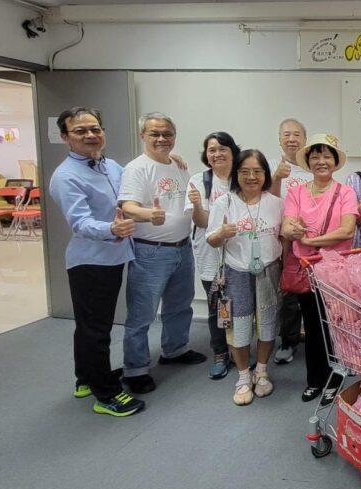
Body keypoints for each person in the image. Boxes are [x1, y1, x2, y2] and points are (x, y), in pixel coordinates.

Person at [49, 107, 144, 417]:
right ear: (65, 137)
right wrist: (112, 229)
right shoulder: (66, 176)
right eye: (80, 131)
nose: (90, 135)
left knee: (89, 325)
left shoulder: (110, 165)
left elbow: (133, 184)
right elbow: (80, 222)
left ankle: (85, 379)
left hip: (113, 257)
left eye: (95, 129)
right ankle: (106, 395)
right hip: (91, 262)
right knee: (96, 330)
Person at [119, 112, 206, 394]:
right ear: (142, 135)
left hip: (182, 248)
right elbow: (127, 206)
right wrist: (148, 215)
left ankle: (175, 349)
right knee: (142, 314)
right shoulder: (137, 168)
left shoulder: (177, 165)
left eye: (167, 134)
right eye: (154, 134)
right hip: (151, 252)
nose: (161, 139)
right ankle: (135, 369)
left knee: (180, 305)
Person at [282, 133, 358, 403]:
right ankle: (314, 379)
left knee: (335, 326)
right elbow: (287, 226)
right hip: (307, 271)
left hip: (335, 272)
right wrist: (293, 230)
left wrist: (310, 240)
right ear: (308, 162)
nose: (321, 161)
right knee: (313, 326)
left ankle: (334, 380)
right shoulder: (296, 192)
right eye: (315, 156)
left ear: (335, 162)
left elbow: (347, 230)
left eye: (327, 156)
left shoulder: (346, 192)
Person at [207, 150, 284, 406]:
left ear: (265, 174)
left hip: (269, 271)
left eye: (257, 171)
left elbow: (284, 236)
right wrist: (222, 233)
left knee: (268, 322)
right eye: (245, 171)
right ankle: (242, 376)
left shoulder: (276, 203)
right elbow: (211, 240)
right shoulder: (224, 203)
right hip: (235, 273)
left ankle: (261, 371)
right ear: (236, 174)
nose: (251, 177)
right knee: (237, 326)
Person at [184, 131, 241, 380]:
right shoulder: (200, 180)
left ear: (233, 152)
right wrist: (198, 204)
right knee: (217, 305)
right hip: (210, 252)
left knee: (239, 304)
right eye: (212, 150)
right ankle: (220, 352)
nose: (217, 154)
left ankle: (238, 349)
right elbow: (203, 222)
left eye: (222, 149)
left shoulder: (242, 177)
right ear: (206, 155)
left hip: (238, 250)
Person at [271, 119, 312, 366]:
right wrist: (277, 177)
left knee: (310, 294)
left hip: (307, 241)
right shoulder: (270, 166)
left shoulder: (313, 167)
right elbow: (265, 200)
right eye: (286, 134)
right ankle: (286, 340)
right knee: (285, 294)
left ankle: (314, 341)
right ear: (279, 139)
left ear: (305, 140)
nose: (292, 139)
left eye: (297, 134)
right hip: (277, 241)